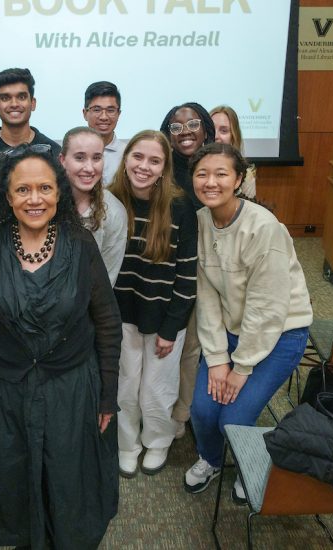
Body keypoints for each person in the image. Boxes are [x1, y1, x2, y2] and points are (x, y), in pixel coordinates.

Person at [0, 145, 121, 549]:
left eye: (45, 188)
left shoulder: (81, 245)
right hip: (7, 392)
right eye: (23, 190)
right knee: (14, 478)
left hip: (71, 391)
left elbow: (107, 323)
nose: (35, 199)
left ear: (60, 192)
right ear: (6, 196)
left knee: (68, 482)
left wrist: (107, 397)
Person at [183, 142, 312, 504]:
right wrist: (218, 359)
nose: (211, 182)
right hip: (231, 332)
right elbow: (206, 298)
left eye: (221, 174)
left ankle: (251, 465)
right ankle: (210, 459)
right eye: (202, 174)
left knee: (233, 420)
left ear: (239, 179)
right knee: (203, 411)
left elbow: (267, 308)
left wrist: (240, 367)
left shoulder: (263, 227)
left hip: (280, 334)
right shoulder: (200, 222)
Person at [109, 130, 197, 477]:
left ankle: (157, 442)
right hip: (120, 315)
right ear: (126, 158)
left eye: (154, 161)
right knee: (125, 386)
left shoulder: (179, 205)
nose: (144, 166)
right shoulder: (110, 200)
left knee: (157, 390)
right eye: (138, 157)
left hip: (164, 317)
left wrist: (172, 326)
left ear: (164, 168)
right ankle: (126, 444)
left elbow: (188, 275)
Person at [159, 102, 215, 439]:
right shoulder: (163, 170)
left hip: (214, 268)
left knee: (203, 343)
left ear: (205, 129)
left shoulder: (215, 167)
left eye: (192, 124)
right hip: (176, 270)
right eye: (176, 127)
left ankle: (191, 408)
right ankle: (177, 412)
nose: (185, 132)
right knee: (184, 344)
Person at [59, 126, 127, 284]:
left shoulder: (114, 212)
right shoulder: (45, 201)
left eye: (96, 158)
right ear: (62, 160)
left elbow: (105, 281)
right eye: (80, 158)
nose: (89, 168)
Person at [0, 68, 60, 171]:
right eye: (5, 98)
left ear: (33, 103)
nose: (14, 104)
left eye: (21, 97)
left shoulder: (54, 151)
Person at [82, 81, 125, 185]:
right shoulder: (72, 153)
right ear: (85, 113)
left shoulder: (128, 154)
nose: (104, 117)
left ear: (118, 114)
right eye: (97, 110)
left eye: (110, 110)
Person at [210, 105, 257, 199]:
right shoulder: (194, 168)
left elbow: (248, 210)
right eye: (211, 129)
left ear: (234, 136)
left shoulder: (246, 175)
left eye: (224, 131)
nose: (216, 136)